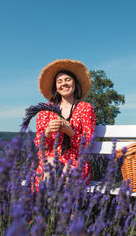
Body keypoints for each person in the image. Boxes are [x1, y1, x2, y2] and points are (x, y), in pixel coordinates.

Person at [34, 59, 96, 192]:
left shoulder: (85, 108)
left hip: (76, 163)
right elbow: (39, 144)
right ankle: (49, 211)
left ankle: (65, 212)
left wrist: (70, 132)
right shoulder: (46, 110)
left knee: (64, 175)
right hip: (49, 161)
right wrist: (48, 132)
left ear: (75, 83)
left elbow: (88, 145)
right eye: (59, 81)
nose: (64, 84)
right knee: (50, 166)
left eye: (68, 79)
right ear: (55, 86)